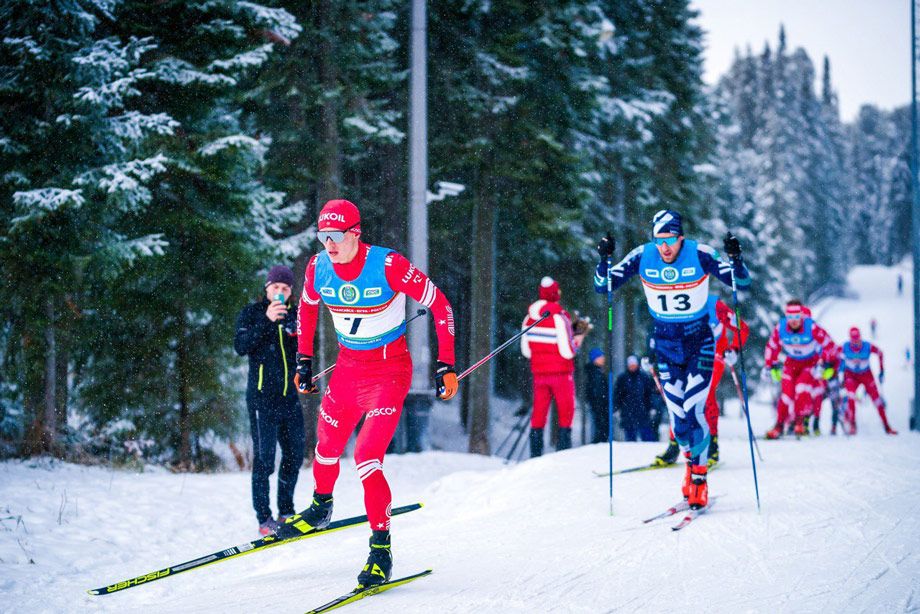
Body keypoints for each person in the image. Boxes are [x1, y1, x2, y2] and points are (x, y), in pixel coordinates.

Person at [291, 199, 458, 588]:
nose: (328, 245)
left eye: (335, 236)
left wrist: (446, 364)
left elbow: (442, 305)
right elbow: (307, 310)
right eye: (322, 236)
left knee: (366, 456)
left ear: (355, 233)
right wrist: (303, 359)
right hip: (348, 370)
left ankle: (380, 550)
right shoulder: (318, 267)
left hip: (389, 373)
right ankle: (321, 506)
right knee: (326, 445)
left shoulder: (387, 265)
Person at [594, 209, 750, 511]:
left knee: (695, 409)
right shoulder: (643, 256)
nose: (664, 247)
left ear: (681, 238)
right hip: (666, 346)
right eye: (659, 240)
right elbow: (604, 286)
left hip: (699, 344)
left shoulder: (700, 254)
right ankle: (690, 467)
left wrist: (736, 259)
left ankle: (700, 480)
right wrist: (604, 259)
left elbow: (740, 283)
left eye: (670, 240)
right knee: (679, 423)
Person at [234, 265, 305, 536]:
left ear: (290, 293)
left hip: (290, 399)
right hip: (262, 400)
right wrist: (266, 320)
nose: (280, 293)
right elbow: (241, 347)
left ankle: (286, 511)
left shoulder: (295, 316)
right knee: (265, 460)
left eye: (285, 289)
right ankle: (265, 519)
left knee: (295, 455)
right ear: (267, 288)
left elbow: (303, 352)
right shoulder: (252, 313)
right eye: (276, 287)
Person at [654, 295, 748, 467]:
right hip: (686, 356)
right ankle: (675, 445)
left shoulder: (714, 305)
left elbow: (742, 328)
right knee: (677, 395)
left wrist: (733, 349)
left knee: (704, 394)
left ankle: (712, 447)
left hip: (713, 355)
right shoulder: (675, 301)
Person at [520, 277, 585, 457]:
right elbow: (567, 352)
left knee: (539, 413)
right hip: (561, 375)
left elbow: (526, 351)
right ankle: (563, 454)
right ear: (556, 294)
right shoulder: (559, 317)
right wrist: (577, 340)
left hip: (539, 374)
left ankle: (535, 455)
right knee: (566, 412)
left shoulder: (528, 318)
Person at [763, 300, 837, 439]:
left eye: (796, 317)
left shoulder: (812, 327)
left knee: (802, 390)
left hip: (809, 363)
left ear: (801, 316)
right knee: (786, 394)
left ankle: (799, 423)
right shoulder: (781, 328)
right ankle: (779, 426)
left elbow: (829, 345)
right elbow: (772, 346)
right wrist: (770, 365)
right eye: (790, 317)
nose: (793, 321)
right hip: (791, 363)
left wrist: (827, 364)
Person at [841, 326, 896, 435]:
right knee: (851, 398)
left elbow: (880, 352)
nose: (855, 342)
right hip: (851, 376)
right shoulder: (845, 347)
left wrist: (882, 370)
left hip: (866, 375)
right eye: (853, 339)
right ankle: (852, 425)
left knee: (877, 400)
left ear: (860, 337)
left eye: (857, 339)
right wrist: (839, 371)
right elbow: (835, 355)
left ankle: (887, 426)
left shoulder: (867, 346)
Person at [613, 355, 657, 441]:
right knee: (630, 439)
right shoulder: (622, 378)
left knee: (647, 438)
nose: (632, 367)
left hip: (643, 412)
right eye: (631, 365)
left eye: (634, 364)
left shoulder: (644, 377)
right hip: (627, 413)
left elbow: (649, 394)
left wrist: (652, 407)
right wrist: (616, 408)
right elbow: (617, 395)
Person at [584, 348, 609, 444]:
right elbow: (596, 392)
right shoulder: (594, 373)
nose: (603, 359)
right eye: (601, 357)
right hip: (598, 406)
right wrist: (601, 403)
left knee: (601, 427)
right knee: (600, 427)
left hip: (599, 405)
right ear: (595, 359)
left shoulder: (597, 372)